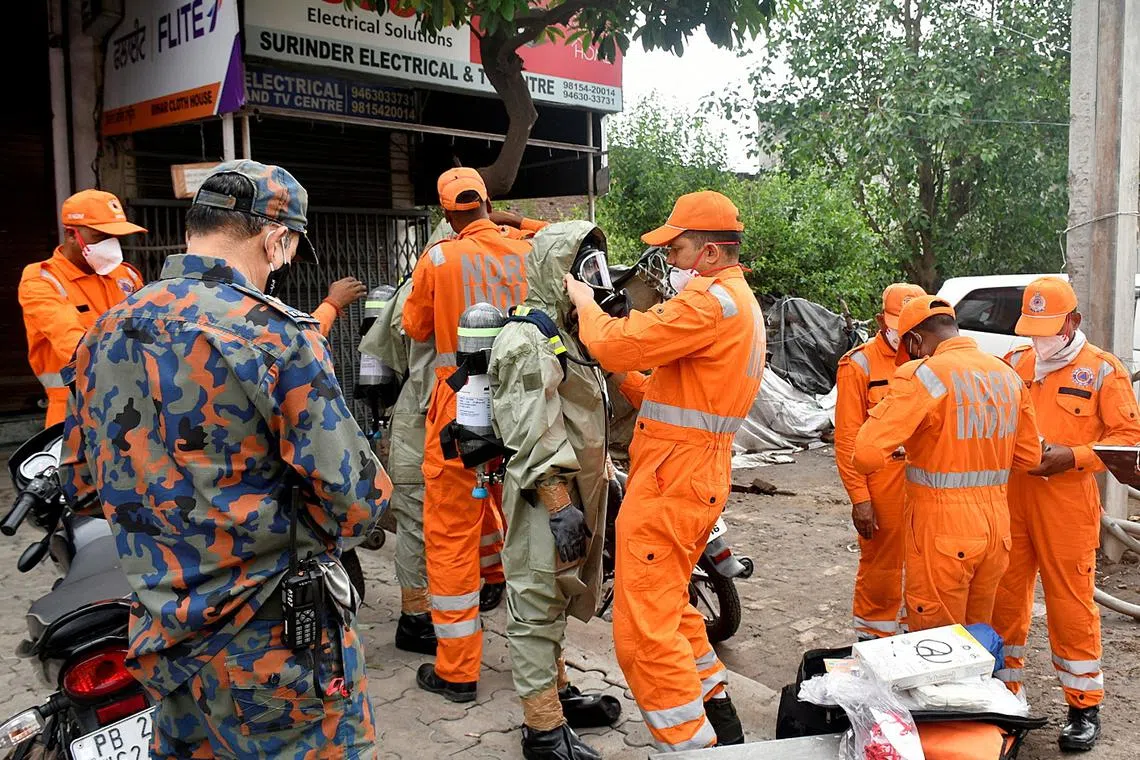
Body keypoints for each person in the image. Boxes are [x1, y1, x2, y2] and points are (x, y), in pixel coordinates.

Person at [57, 161, 391, 758]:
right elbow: (360, 502)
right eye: (286, 248)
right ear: (275, 237)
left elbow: (81, 486)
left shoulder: (103, 332)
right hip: (271, 643)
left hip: (162, 637)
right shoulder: (272, 333)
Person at [565, 191, 765, 752]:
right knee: (671, 604)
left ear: (708, 254)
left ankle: (691, 744)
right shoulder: (738, 303)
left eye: (676, 249)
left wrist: (584, 302)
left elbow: (612, 344)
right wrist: (626, 380)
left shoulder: (707, 304)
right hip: (695, 470)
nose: (669, 261)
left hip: (673, 476)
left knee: (641, 633)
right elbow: (677, 391)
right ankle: (719, 716)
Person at [489, 221, 628, 759]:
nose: (594, 282)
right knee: (536, 603)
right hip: (545, 499)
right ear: (556, 273)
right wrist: (558, 504)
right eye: (584, 270)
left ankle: (561, 693)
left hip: (574, 494)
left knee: (561, 593)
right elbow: (532, 429)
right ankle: (543, 732)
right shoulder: (525, 340)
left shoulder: (564, 334)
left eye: (598, 269)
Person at [990, 277, 1140, 752]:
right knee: (1004, 599)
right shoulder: (1014, 363)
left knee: (1070, 605)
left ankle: (1082, 704)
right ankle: (1004, 694)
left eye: (1048, 328)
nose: (1039, 339)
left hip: (1067, 504)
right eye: (1032, 329)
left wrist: (1073, 456)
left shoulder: (1102, 371)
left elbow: (1126, 440)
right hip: (1012, 499)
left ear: (1073, 321)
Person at [404, 168, 533, 701]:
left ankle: (457, 671)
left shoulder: (438, 257)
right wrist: (513, 221)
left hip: (460, 403)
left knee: (451, 531)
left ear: (447, 213)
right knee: (523, 524)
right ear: (486, 202)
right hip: (523, 405)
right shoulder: (528, 251)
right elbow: (561, 236)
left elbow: (414, 328)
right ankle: (543, 663)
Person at [853, 296, 1041, 633]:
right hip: (996, 529)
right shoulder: (1006, 374)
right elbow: (1030, 458)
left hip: (942, 529)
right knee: (976, 636)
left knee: (938, 644)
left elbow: (865, 454)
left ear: (914, 340)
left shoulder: (924, 375)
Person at [835, 283, 926, 640]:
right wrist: (860, 498)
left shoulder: (930, 361)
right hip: (882, 483)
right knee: (881, 568)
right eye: (896, 323)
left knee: (923, 565)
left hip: (926, 484)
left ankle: (914, 640)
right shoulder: (859, 364)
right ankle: (873, 641)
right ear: (880, 320)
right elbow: (847, 438)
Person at [19, 189, 147, 427]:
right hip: (74, 412)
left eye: (115, 238)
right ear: (70, 234)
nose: (111, 246)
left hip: (134, 406)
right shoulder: (42, 281)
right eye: (101, 237)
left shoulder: (126, 275)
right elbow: (77, 347)